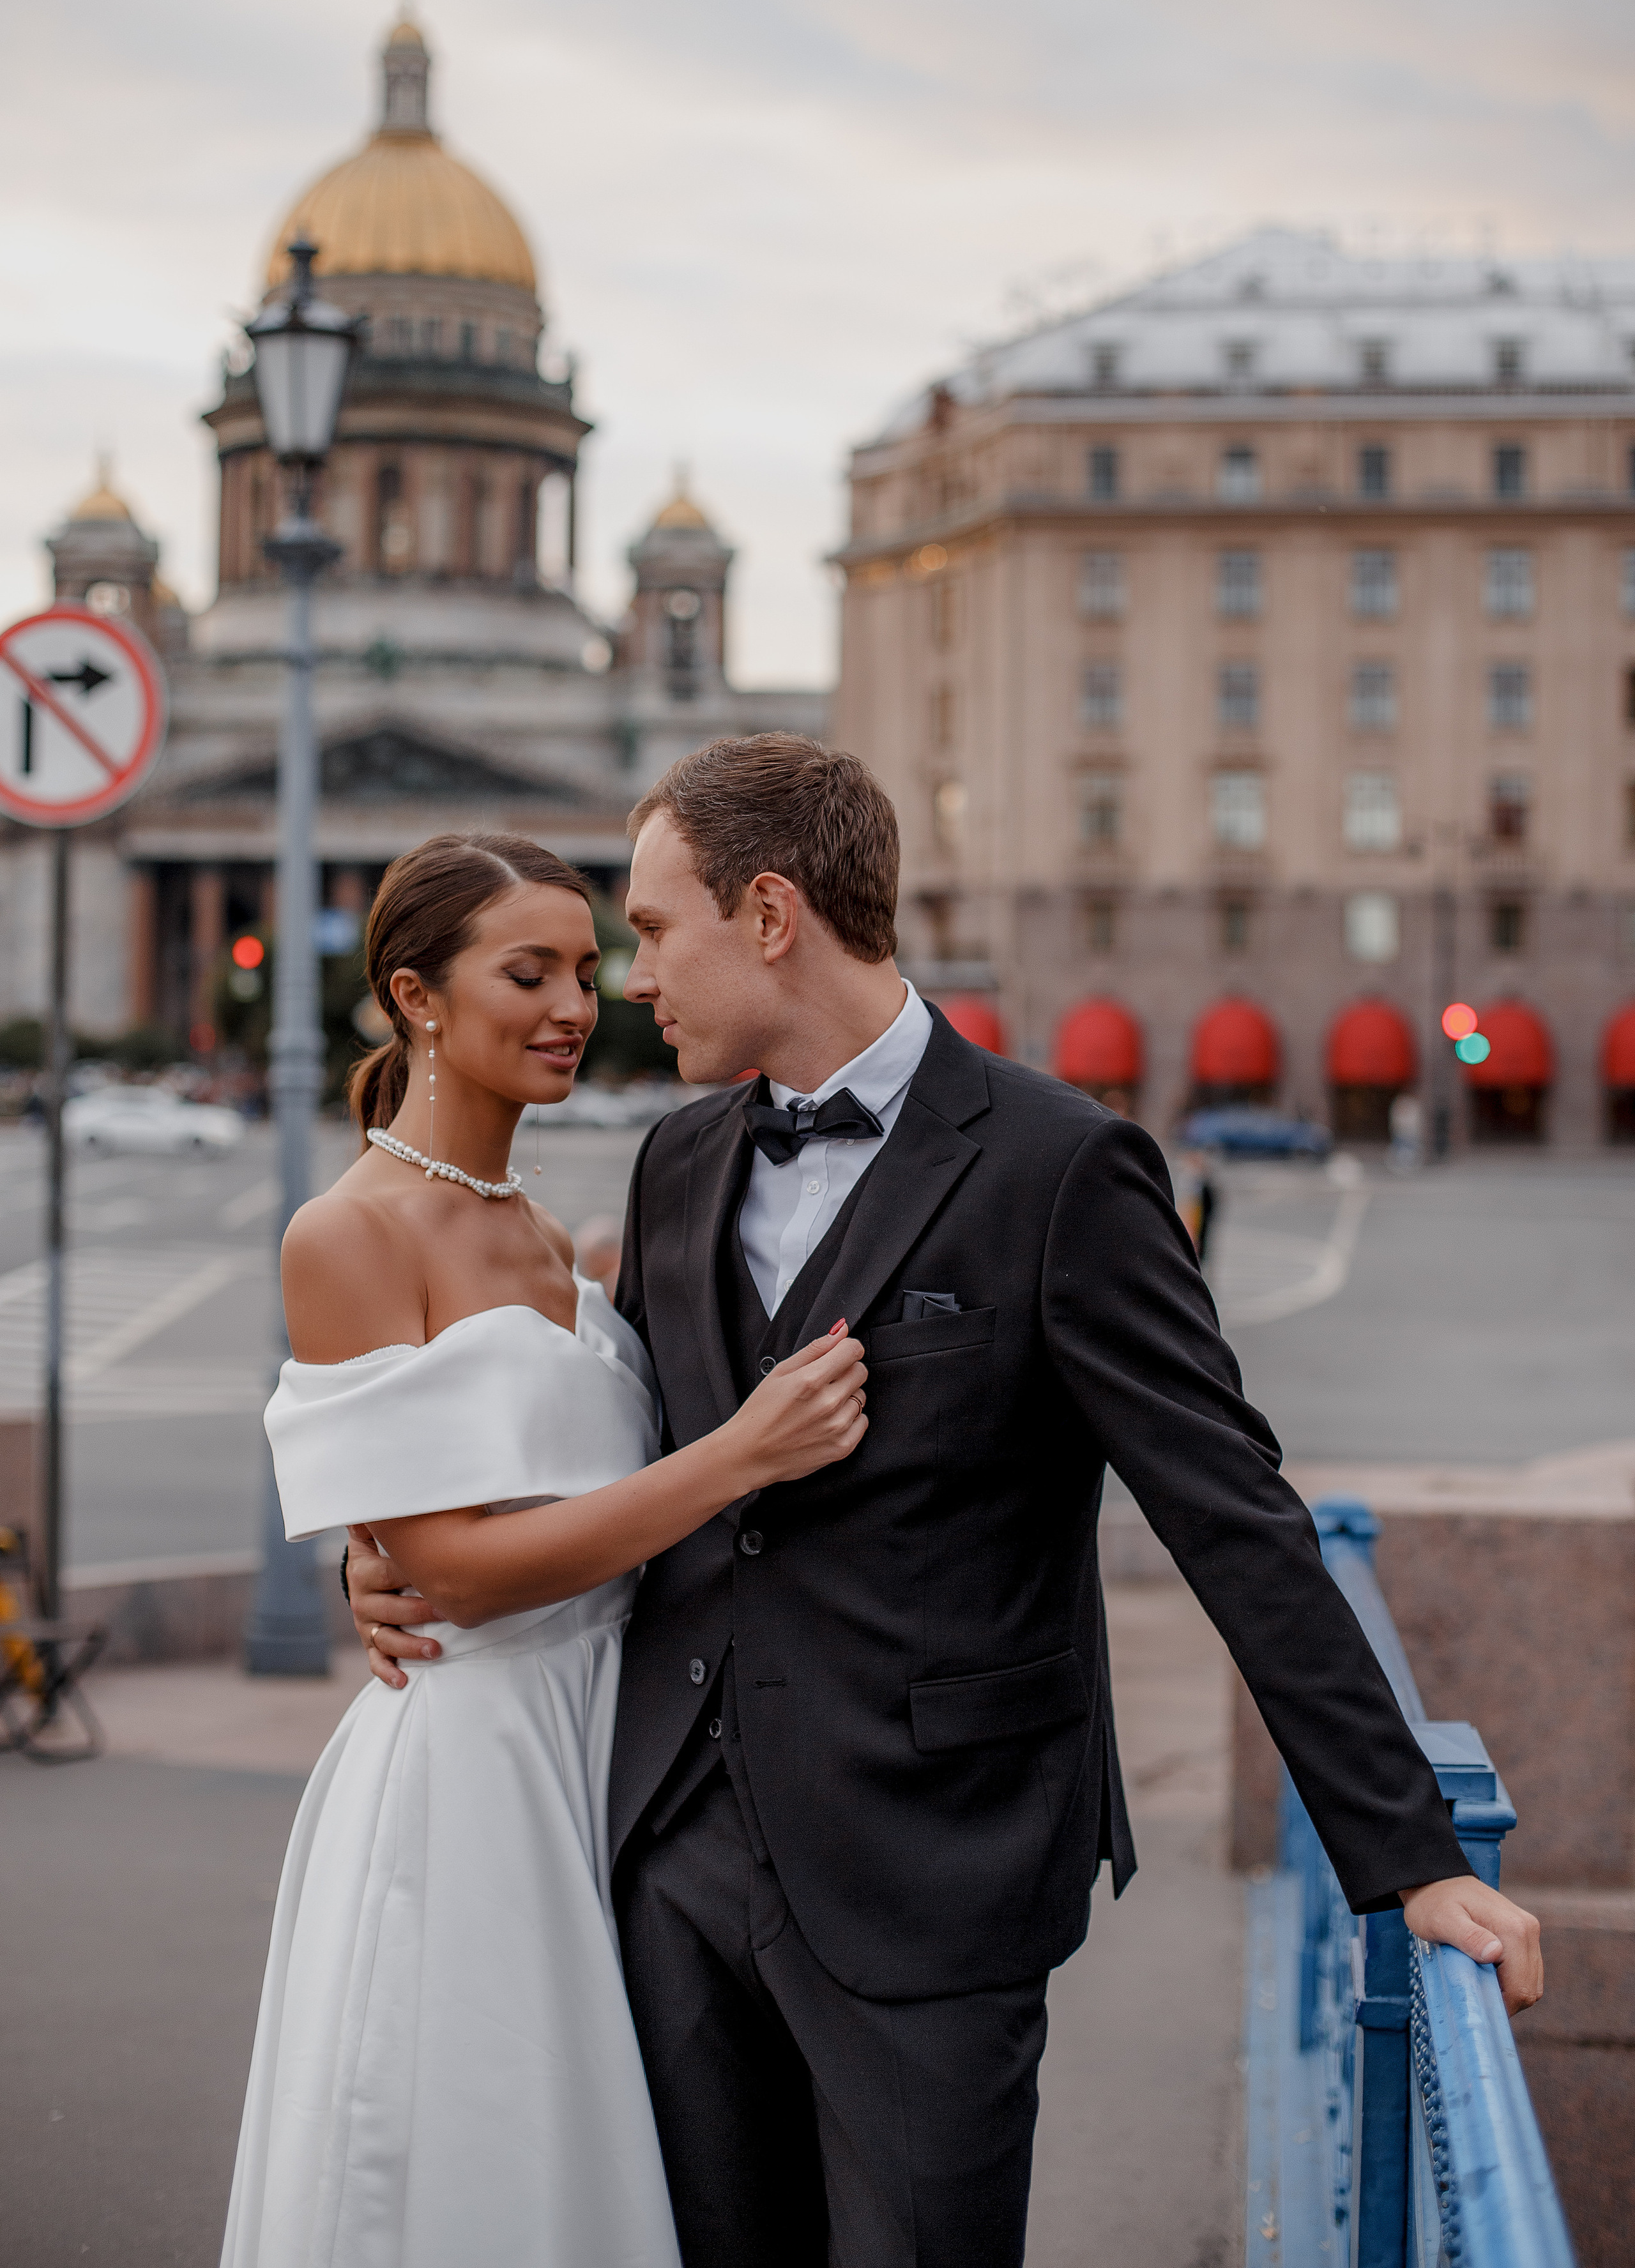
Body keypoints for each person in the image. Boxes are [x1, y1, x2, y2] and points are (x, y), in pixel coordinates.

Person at [351, 739, 1542, 2268]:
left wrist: (1410, 1854)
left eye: (652, 931)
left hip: (934, 1876)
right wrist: (386, 1568)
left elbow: (1230, 1513)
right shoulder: (675, 1159)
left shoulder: (1062, 1168)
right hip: (669, 1858)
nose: (628, 981)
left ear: (769, 913)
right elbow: (601, 1452)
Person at [220, 831, 869, 2268]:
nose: (578, 1004)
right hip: (478, 1767)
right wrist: (738, 1457)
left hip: (619, 1754)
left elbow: (507, 1490)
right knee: (476, 2160)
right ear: (417, 996)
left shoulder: (571, 1241)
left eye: (586, 968)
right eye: (530, 972)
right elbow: (447, 1568)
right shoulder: (348, 1234)